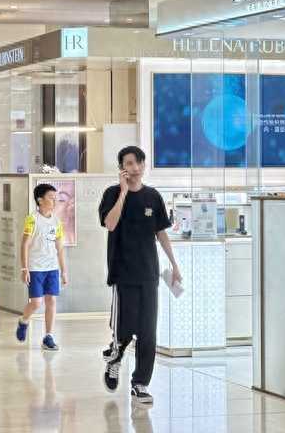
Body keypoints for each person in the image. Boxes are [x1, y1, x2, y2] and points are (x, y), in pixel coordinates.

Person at [98, 146, 182, 406]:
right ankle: (115, 357)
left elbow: (161, 233)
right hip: (122, 273)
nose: (134, 168)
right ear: (121, 168)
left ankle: (140, 384)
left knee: (148, 332)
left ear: (144, 165)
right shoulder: (112, 194)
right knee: (124, 329)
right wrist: (123, 192)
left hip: (148, 273)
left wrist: (174, 264)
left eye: (138, 163)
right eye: (128, 163)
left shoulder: (153, 197)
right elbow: (110, 224)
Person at [16, 183, 69, 351]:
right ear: (40, 200)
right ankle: (24, 320)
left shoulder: (56, 221)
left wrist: (63, 271)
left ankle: (48, 336)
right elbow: (25, 244)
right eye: (51, 198)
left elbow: (60, 247)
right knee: (36, 302)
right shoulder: (32, 219)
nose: (55, 201)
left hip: (52, 267)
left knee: (51, 300)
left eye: (56, 198)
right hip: (35, 267)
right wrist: (24, 268)